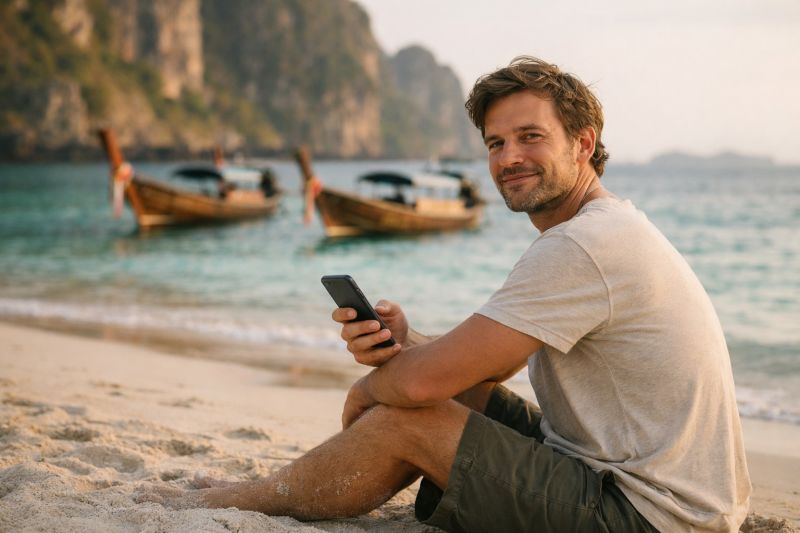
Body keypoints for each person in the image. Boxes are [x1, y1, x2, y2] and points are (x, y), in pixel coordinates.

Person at [139, 56, 751, 532]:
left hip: (650, 516)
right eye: (495, 143)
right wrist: (409, 345)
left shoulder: (585, 245)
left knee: (411, 418)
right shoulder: (601, 229)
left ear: (583, 144)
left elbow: (422, 389)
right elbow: (468, 367)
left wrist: (372, 389)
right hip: (638, 477)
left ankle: (243, 499)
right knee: (446, 386)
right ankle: (274, 486)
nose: (509, 158)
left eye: (530, 137)